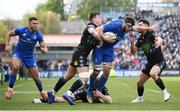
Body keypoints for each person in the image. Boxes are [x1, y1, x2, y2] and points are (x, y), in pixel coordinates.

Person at [47, 12, 103, 104]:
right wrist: (100, 39)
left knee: (67, 76)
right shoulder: (91, 26)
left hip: (78, 53)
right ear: (94, 19)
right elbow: (91, 31)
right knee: (84, 79)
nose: (101, 19)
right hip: (81, 54)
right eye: (99, 17)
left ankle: (52, 92)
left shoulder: (97, 30)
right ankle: (68, 93)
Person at [5, 17, 48, 100]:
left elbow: (44, 46)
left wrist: (44, 50)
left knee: (36, 78)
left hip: (29, 56)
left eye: (37, 24)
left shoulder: (38, 34)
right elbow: (8, 34)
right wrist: (7, 45)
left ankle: (42, 92)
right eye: (34, 23)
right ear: (29, 23)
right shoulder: (21, 30)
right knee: (15, 66)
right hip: (18, 53)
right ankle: (10, 90)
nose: (36, 25)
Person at [130, 19, 170, 103]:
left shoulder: (150, 34)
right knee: (139, 83)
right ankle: (140, 98)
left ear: (146, 26)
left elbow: (158, 38)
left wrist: (159, 41)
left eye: (141, 25)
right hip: (150, 63)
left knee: (153, 73)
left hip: (159, 61)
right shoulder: (140, 39)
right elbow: (133, 52)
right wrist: (132, 42)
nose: (139, 26)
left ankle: (165, 92)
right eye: (138, 24)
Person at [33, 79, 112, 105]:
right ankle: (43, 99)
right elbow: (63, 100)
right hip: (84, 96)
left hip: (97, 96)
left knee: (103, 100)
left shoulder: (102, 88)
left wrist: (100, 95)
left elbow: (110, 100)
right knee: (63, 100)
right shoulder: (84, 90)